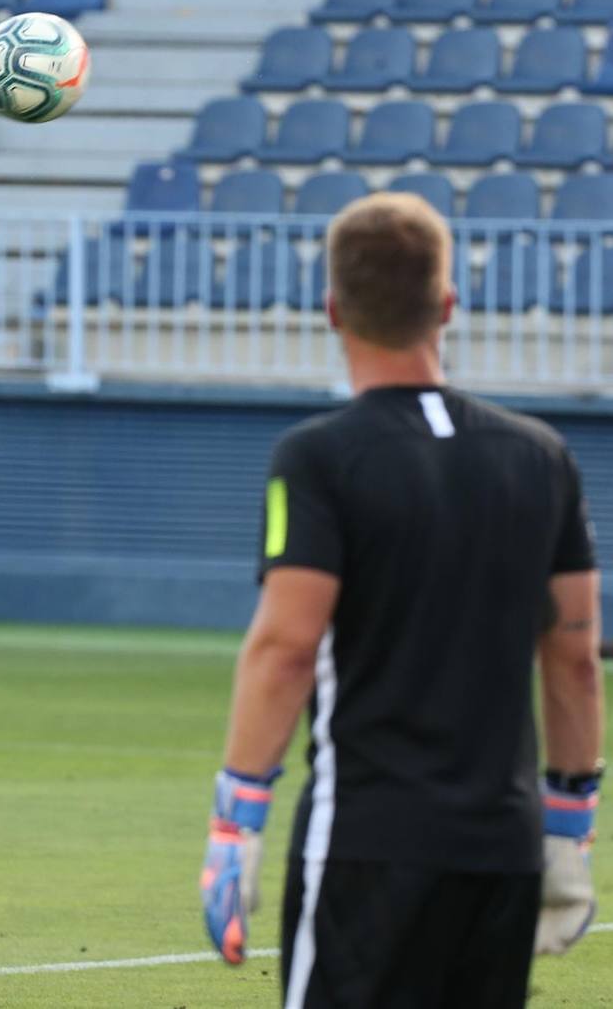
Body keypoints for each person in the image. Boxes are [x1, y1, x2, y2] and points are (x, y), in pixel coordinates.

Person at [199, 194, 604, 1006]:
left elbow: (284, 646)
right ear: (448, 306)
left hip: (366, 841)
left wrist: (235, 822)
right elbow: (574, 659)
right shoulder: (543, 457)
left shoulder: (316, 458)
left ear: (332, 311)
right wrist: (569, 822)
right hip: (505, 846)